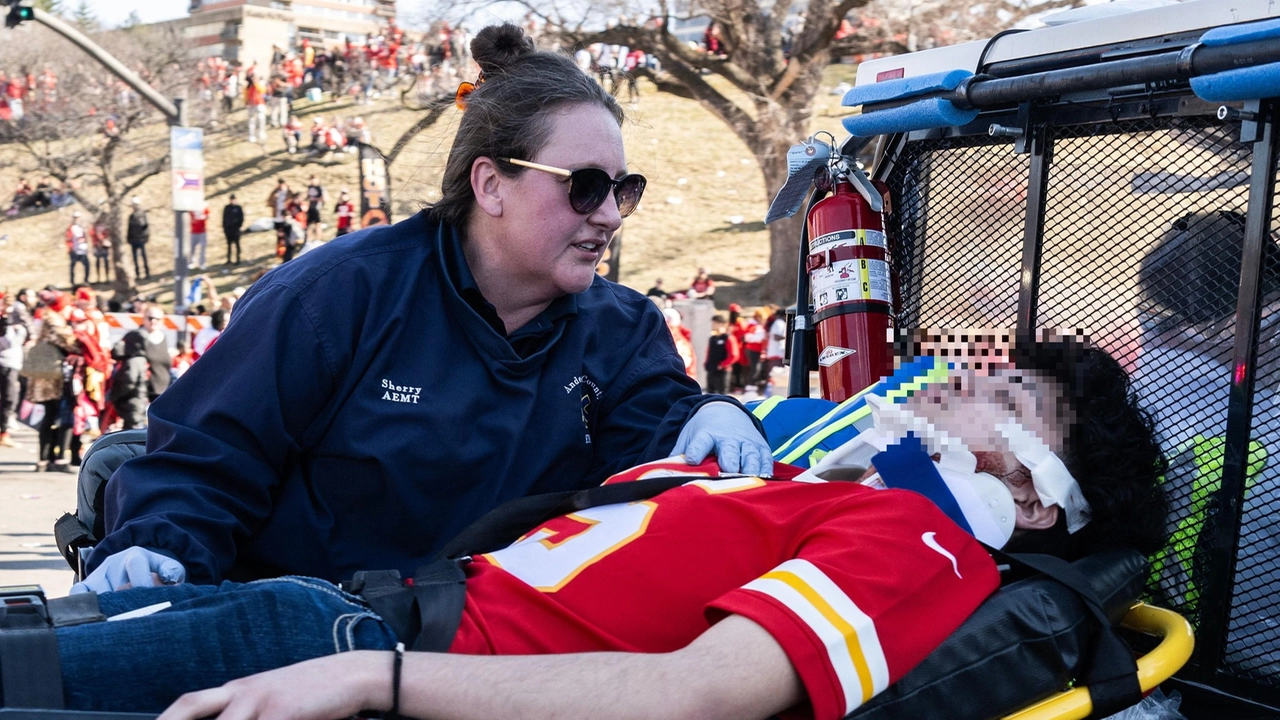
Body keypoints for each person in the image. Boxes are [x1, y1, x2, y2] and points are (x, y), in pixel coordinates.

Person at [29, 342, 1168, 720]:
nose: (959, 382)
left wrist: (371, 679)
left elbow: (693, 694)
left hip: (347, 647)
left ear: (1028, 494)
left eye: (1006, 398)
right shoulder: (826, 489)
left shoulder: (922, 549)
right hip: (327, 613)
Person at [75, 24, 771, 594]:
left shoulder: (623, 328)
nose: (611, 215)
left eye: (626, 189)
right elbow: (205, 459)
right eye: (586, 187)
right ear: (490, 184)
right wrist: (156, 553)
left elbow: (654, 468)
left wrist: (710, 414)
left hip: (510, 659)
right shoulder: (334, 297)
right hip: (316, 642)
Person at [1135, 210, 1280, 679]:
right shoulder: (1270, 433)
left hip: (1132, 660)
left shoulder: (1099, 407)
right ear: (1248, 320)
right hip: (1252, 683)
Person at [704, 313, 739, 395]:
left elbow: (734, 355)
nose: (712, 325)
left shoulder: (728, 338)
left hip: (723, 371)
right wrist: (707, 363)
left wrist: (722, 365)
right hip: (712, 369)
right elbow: (709, 352)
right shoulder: (712, 338)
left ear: (721, 324)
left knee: (722, 393)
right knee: (710, 394)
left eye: (714, 323)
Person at [126, 197, 150, 280]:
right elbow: (129, 228)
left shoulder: (143, 214)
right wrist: (128, 238)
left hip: (141, 239)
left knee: (143, 256)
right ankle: (137, 274)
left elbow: (146, 226)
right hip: (133, 240)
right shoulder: (131, 216)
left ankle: (147, 273)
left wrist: (146, 237)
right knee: (135, 258)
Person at [66, 212, 91, 286]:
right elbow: (68, 239)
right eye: (75, 217)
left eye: (78, 217)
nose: (77, 219)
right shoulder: (71, 227)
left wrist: (87, 248)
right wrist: (71, 248)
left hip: (83, 250)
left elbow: (86, 238)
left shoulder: (82, 227)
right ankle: (72, 282)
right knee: (73, 266)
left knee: (87, 266)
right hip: (74, 250)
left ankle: (86, 280)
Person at [222, 195, 244, 265]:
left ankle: (238, 259)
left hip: (236, 229)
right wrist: (225, 227)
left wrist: (239, 226)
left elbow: (241, 218)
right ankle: (229, 259)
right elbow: (224, 218)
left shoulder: (238, 208)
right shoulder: (227, 208)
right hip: (228, 229)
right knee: (229, 245)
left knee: (237, 245)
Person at [90, 212, 112, 284]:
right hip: (97, 246)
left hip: (104, 246)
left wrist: (105, 240)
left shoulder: (106, 226)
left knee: (106, 262)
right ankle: (98, 278)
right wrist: (96, 243)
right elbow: (92, 234)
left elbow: (108, 234)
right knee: (98, 262)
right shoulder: (94, 226)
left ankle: (107, 278)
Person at [305, 174, 327, 243]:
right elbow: (308, 197)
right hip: (310, 208)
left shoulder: (320, 188)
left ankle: (318, 239)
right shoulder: (310, 187)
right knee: (309, 224)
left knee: (318, 224)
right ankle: (308, 240)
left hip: (317, 208)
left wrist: (316, 199)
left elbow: (324, 198)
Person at [189, 203, 210, 271]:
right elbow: (189, 215)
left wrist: (205, 217)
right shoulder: (192, 208)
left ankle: (202, 263)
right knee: (192, 247)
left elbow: (208, 215)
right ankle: (191, 262)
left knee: (203, 247)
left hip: (202, 231)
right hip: (194, 231)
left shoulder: (204, 206)